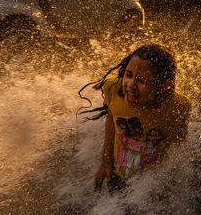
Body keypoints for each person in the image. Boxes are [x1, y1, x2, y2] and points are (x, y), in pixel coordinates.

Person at [78, 44, 191, 192]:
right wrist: (106, 162)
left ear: (163, 86)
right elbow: (112, 118)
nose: (130, 85)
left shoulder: (178, 106)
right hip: (118, 175)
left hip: (154, 185)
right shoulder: (113, 89)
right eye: (128, 75)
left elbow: (179, 143)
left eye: (142, 81)